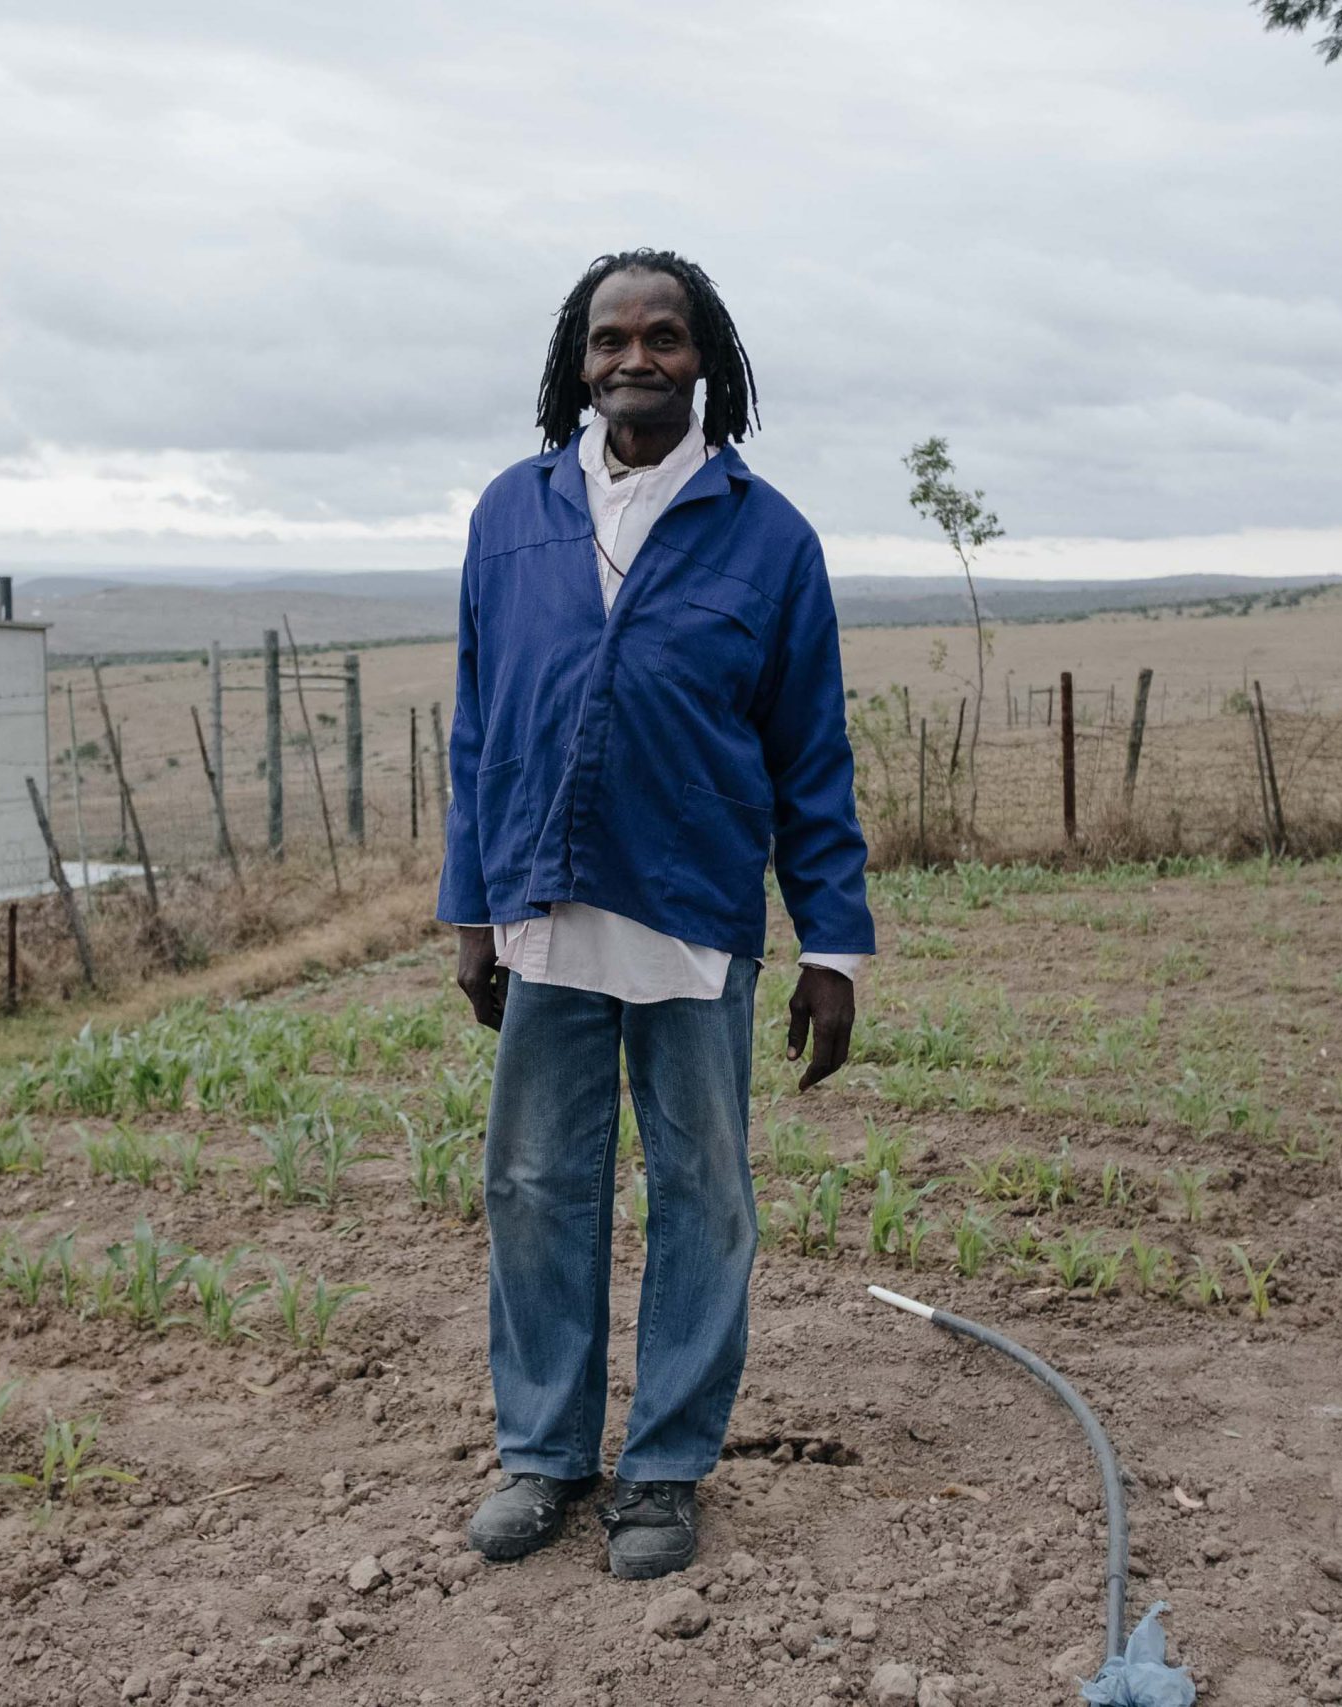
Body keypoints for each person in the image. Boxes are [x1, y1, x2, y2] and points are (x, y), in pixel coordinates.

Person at [438, 248, 875, 1580]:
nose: (635, 358)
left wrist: (833, 945)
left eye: (664, 337)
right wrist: (470, 909)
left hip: (692, 918)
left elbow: (812, 755)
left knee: (702, 1197)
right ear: (578, 360)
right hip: (544, 910)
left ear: (708, 361)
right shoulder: (511, 516)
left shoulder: (769, 535)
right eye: (609, 338)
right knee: (533, 1188)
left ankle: (667, 1470)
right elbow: (478, 728)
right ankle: (546, 1457)